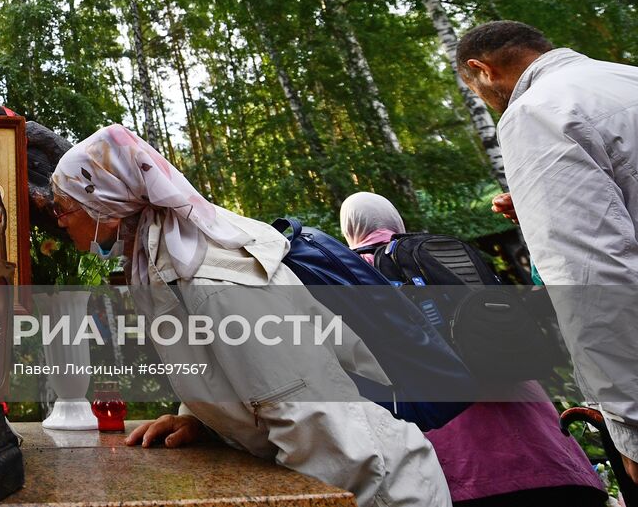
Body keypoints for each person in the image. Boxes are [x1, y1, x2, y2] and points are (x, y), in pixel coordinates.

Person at [51, 125, 449, 507]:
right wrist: (202, 421)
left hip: (377, 492)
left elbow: (325, 434)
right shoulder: (167, 267)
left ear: (107, 204)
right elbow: (242, 377)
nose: (59, 220)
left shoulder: (216, 281)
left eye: (64, 206)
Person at [340, 192, 606, 506]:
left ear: (348, 228)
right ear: (394, 219)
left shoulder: (350, 273)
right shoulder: (436, 254)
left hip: (460, 458)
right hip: (541, 439)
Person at [458, 20, 638, 483]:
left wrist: (628, 419)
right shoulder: (624, 76)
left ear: (482, 70)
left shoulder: (534, 113)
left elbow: (590, 273)